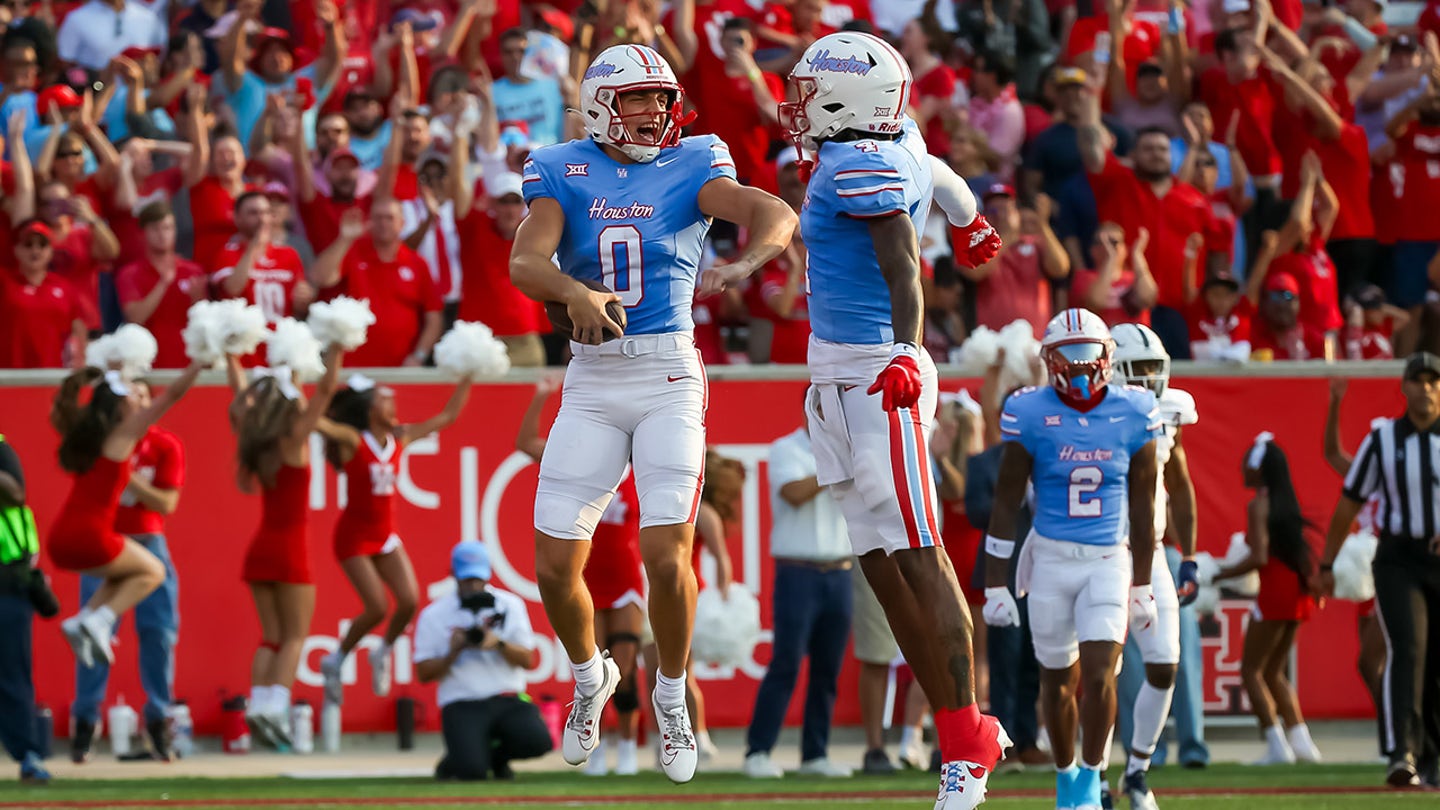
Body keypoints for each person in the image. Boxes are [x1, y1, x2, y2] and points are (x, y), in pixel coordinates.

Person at [508, 43, 795, 784]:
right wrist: (573, 292)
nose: (657, 112)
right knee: (551, 566)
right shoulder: (561, 167)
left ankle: (670, 693)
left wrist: (746, 261)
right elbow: (525, 261)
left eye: (662, 99)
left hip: (668, 369)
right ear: (603, 103)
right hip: (593, 377)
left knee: (666, 557)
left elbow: (771, 210)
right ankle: (588, 676)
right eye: (640, 98)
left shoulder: (695, 160)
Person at [780, 31, 1007, 809]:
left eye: (811, 93)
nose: (799, 106)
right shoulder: (895, 139)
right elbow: (941, 176)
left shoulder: (861, 161)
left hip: (880, 373)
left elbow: (904, 259)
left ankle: (969, 739)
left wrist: (908, 350)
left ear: (852, 102)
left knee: (917, 553)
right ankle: (959, 727)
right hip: (837, 375)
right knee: (880, 563)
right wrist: (973, 222)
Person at [984, 309, 1161, 810]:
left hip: (1108, 557)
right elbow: (1006, 498)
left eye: (1090, 354)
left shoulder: (1135, 409)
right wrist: (996, 583)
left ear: (1108, 358)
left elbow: (1145, 506)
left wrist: (1144, 582)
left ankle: (1091, 775)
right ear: (1049, 360)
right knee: (1057, 679)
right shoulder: (1029, 410)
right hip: (1052, 559)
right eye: (1070, 355)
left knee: (1102, 673)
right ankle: (1067, 781)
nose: (1081, 367)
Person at [515, 376, 647, 777]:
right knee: (596, 672)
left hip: (624, 579)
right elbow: (525, 444)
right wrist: (539, 397)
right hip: (587, 579)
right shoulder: (583, 471)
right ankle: (598, 749)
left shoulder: (642, 470)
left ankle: (627, 748)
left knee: (625, 670)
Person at [1319, 352, 1440, 788]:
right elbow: (1347, 498)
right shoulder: (1384, 440)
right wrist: (1327, 563)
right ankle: (1401, 752)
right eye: (1418, 380)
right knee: (1406, 648)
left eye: (1433, 380)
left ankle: (1432, 754)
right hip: (1397, 558)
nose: (1425, 388)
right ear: (1404, 387)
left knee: (1432, 658)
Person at [318, 373, 473, 701]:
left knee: (408, 601)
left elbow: (447, 417)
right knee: (376, 607)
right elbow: (316, 423)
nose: (394, 405)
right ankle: (337, 658)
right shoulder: (352, 441)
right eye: (386, 401)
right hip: (354, 538)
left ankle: (381, 652)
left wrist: (468, 375)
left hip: (385, 535)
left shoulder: (400, 438)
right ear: (370, 409)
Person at [48, 363, 203, 672]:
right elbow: (172, 395)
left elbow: (65, 403)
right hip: (92, 535)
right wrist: (198, 364)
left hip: (62, 537)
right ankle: (101, 620)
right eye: (132, 393)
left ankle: (84, 618)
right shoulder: (123, 434)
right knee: (154, 572)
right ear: (120, 406)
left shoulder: (88, 436)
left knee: (123, 574)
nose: (140, 399)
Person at [226, 348, 342, 748]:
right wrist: (339, 348)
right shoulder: (294, 439)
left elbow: (241, 396)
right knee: (295, 636)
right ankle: (275, 706)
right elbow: (326, 390)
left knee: (271, 636)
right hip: (291, 549)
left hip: (259, 548)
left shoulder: (256, 440)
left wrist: (231, 355)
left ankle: (259, 702)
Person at [1110, 323, 1205, 806]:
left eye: (1154, 369)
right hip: (1099, 552)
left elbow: (1181, 480)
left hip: (1153, 553)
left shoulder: (1171, 409)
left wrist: (1187, 553)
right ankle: (1090, 775)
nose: (1149, 379)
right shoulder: (1090, 411)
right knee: (1097, 670)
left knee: (1164, 663)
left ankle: (1137, 771)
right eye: (1139, 369)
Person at [71, 394, 185, 763]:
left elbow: (166, 504)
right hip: (107, 543)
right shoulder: (101, 441)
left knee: (160, 633)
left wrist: (125, 474)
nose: (134, 403)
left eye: (141, 395)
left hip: (149, 541)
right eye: (127, 396)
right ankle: (85, 723)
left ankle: (158, 720)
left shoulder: (164, 445)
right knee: (93, 636)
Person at [742, 413, 855, 779]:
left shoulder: (848, 451)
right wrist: (836, 466)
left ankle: (814, 754)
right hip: (798, 571)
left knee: (828, 669)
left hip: (840, 570)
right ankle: (758, 751)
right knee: (786, 662)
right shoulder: (786, 449)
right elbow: (793, 494)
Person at [1216, 434, 1323, 766]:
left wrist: (1219, 573)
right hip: (1296, 590)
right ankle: (1303, 744)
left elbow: (1260, 555)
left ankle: (1277, 746)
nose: (1241, 468)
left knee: (1250, 670)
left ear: (1257, 468)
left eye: (1246, 461)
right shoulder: (1283, 500)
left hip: (1276, 590)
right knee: (1275, 671)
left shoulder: (1258, 504)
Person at [415, 540, 551, 781]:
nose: (474, 585)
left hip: (507, 698)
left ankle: (491, 757)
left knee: (539, 741)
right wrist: (453, 651)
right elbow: (424, 673)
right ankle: (462, 758)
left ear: (488, 574)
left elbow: (528, 660)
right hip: (462, 701)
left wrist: (497, 643)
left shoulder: (509, 605)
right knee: (472, 772)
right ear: (453, 575)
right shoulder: (434, 614)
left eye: (478, 578)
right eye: (467, 579)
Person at [1321, 378, 1388, 761]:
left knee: (1380, 658)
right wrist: (1335, 404)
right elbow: (1331, 453)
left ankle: (1398, 733)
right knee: (1370, 661)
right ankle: (1393, 730)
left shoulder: (1405, 480)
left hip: (1393, 569)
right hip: (1369, 573)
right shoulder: (1365, 478)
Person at [0, 435, 52, 784]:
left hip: (7, 583)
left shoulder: (2, 451)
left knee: (12, 675)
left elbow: (16, 493)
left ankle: (28, 756)